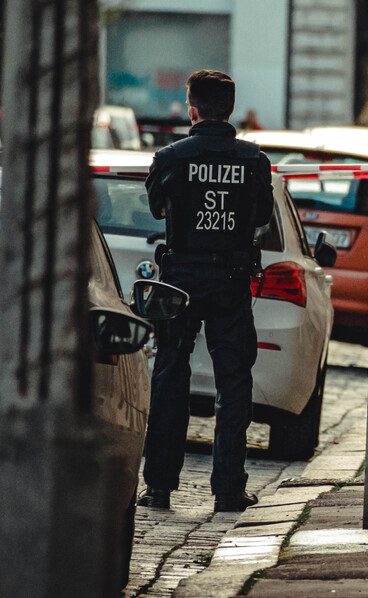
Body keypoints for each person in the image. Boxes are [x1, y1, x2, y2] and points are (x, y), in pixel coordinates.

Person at [138, 70, 274, 512]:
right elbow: (260, 220)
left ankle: (158, 487)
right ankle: (229, 489)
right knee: (234, 382)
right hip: (232, 281)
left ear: (192, 108)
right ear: (229, 109)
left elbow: (158, 207)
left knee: (170, 375)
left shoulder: (172, 157)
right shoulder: (254, 161)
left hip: (181, 278)